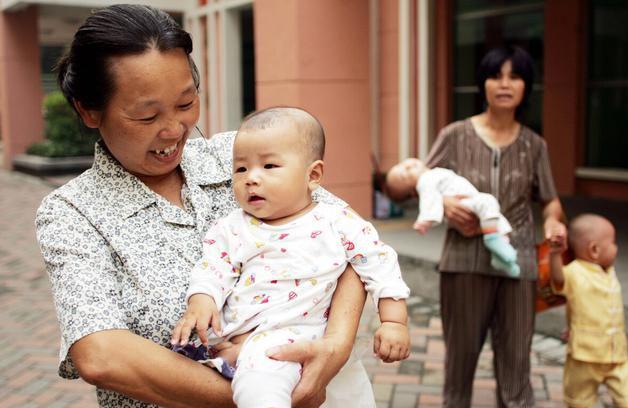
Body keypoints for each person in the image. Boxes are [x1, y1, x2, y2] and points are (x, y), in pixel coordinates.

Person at [35, 5, 373, 407]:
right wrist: (262, 394)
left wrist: (336, 345)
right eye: (147, 116)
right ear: (89, 111)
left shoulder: (240, 157)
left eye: (185, 103)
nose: (174, 129)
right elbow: (101, 354)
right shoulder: (73, 212)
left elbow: (350, 238)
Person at [171, 107, 411, 407]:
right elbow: (212, 268)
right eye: (241, 169)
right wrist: (201, 300)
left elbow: (379, 264)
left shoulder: (339, 222)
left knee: (346, 397)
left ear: (313, 175)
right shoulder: (233, 227)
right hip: (252, 341)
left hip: (310, 337)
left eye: (269, 166)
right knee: (260, 385)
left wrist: (393, 321)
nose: (251, 179)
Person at [424, 45, 567, 407]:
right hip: (462, 263)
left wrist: (553, 223)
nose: (504, 84)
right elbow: (422, 181)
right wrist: (443, 204)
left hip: (519, 265)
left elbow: (550, 200)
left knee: (517, 362)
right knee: (460, 364)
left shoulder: (535, 145)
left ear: (526, 86)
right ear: (482, 84)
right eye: (495, 75)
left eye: (515, 76)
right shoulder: (454, 135)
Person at [549, 214, 628, 408]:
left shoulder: (608, 271)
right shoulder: (575, 272)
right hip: (585, 355)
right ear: (594, 250)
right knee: (580, 399)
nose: (616, 248)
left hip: (617, 355)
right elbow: (558, 279)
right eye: (613, 243)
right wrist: (555, 255)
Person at [386, 158, 519, 277]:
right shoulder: (425, 180)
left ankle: (501, 258)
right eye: (404, 175)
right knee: (489, 202)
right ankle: (492, 239)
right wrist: (425, 220)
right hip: (464, 202)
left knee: (499, 220)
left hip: (470, 199)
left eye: (403, 164)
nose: (408, 167)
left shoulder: (431, 173)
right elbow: (429, 201)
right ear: (413, 192)